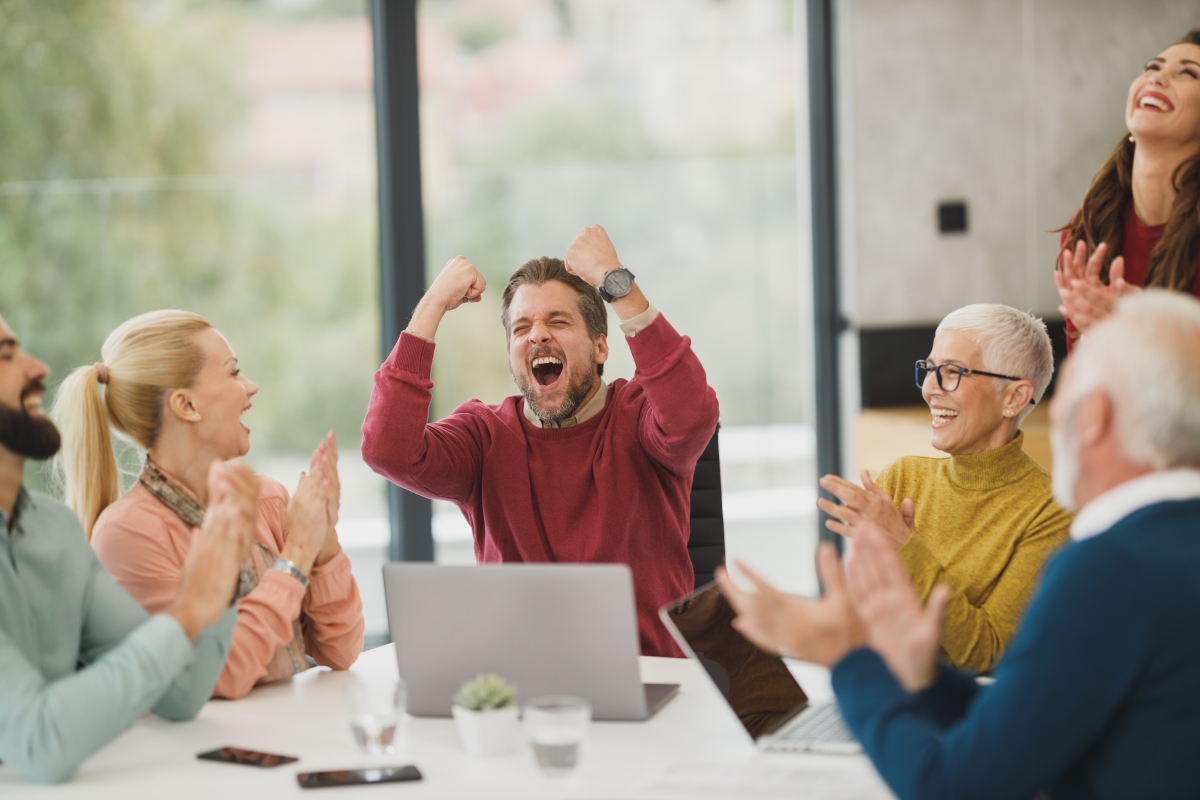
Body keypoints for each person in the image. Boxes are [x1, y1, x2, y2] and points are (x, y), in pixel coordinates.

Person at [720, 290, 1200, 799]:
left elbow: (952, 788)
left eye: (1064, 401)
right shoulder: (1168, 548)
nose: (1054, 419)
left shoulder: (1108, 568)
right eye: (930, 368)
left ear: (1092, 415)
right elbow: (1028, 720)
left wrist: (847, 659)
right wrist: (925, 676)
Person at [361, 225, 720, 657]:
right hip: (522, 687)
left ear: (600, 346)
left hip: (650, 676)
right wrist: (432, 306)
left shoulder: (640, 416)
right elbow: (387, 449)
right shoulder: (483, 437)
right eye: (522, 327)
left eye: (558, 321)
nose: (537, 335)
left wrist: (616, 280)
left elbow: (692, 414)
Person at [53, 310, 364, 701]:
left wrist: (323, 536)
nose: (250, 387)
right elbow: (220, 676)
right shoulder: (126, 533)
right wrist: (298, 553)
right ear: (186, 405)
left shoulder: (268, 500)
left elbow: (342, 651)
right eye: (233, 373)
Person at [0, 314, 257, 784]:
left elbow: (181, 694)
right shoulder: (120, 529)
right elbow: (39, 741)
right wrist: (185, 614)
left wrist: (218, 583)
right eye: (6, 358)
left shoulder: (53, 530)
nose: (37, 368)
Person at [816, 305, 1070, 673]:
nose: (930, 389)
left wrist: (906, 547)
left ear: (1014, 398)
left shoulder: (1051, 510)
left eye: (952, 372)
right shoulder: (902, 479)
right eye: (930, 369)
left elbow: (988, 655)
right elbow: (867, 627)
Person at [1055, 29, 1200, 346]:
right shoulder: (1088, 227)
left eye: (1189, 73)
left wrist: (1149, 320)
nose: (1157, 79)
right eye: (1153, 67)